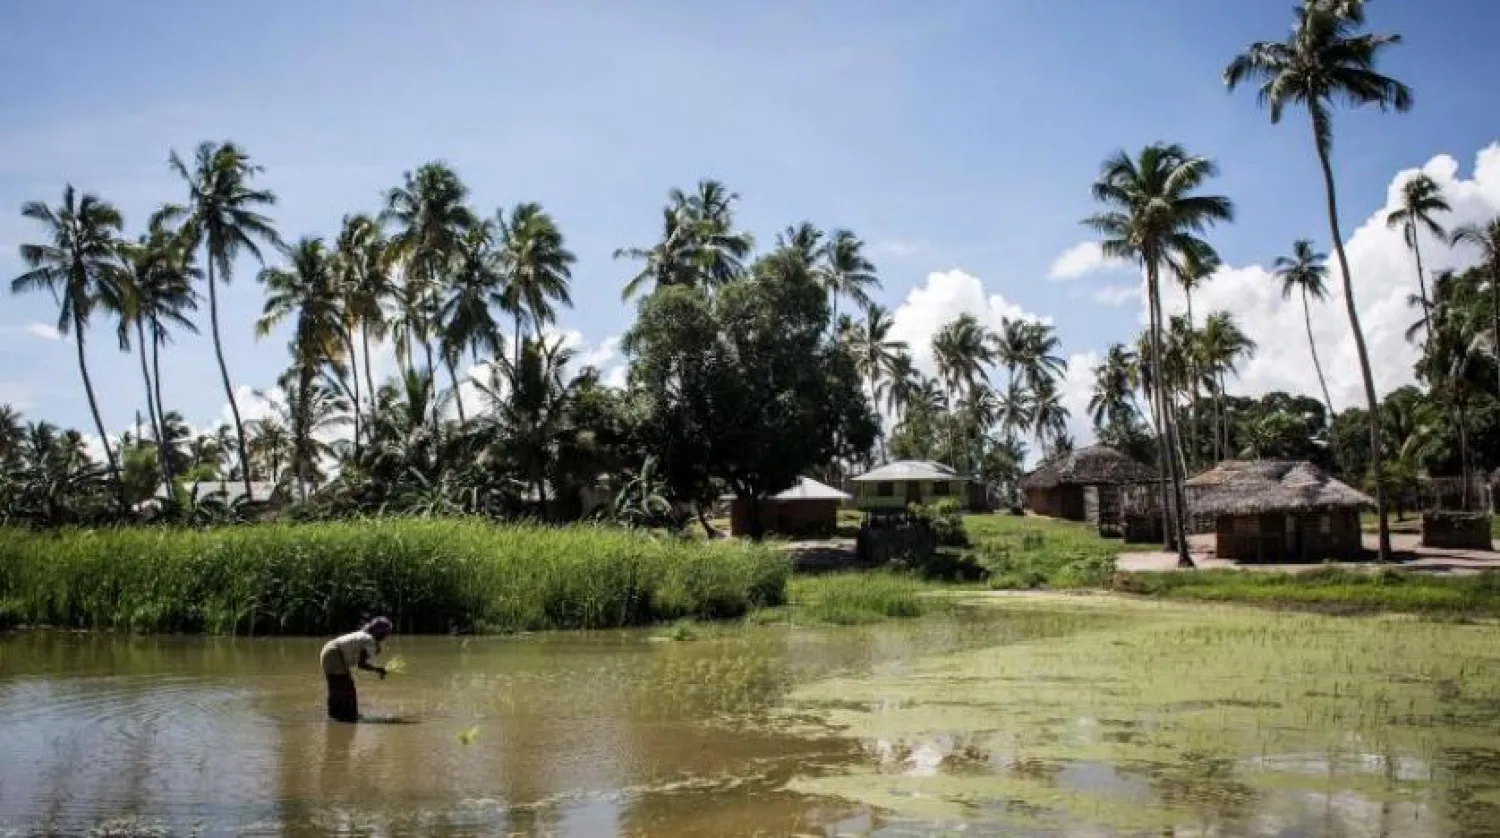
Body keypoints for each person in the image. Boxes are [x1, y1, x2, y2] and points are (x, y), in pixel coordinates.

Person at [320, 617, 392, 722]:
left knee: (339, 687)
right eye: (386, 633)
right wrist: (378, 669)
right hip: (334, 653)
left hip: (328, 650)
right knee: (344, 686)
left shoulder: (363, 635)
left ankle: (338, 716)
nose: (386, 636)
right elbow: (361, 664)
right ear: (380, 632)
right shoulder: (369, 640)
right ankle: (346, 716)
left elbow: (359, 659)